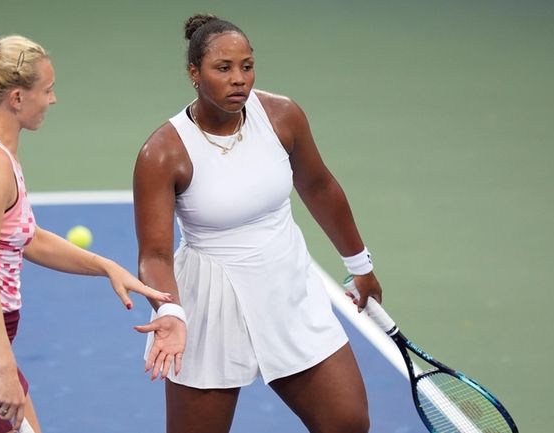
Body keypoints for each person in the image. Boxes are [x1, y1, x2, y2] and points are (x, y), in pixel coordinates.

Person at [0, 31, 172, 433]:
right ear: (17, 98)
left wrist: (106, 267)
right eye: (48, 89)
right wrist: (5, 371)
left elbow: (27, 236)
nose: (53, 99)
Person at [132, 14, 383, 433]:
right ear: (194, 73)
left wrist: (361, 266)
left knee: (347, 423)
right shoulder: (162, 154)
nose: (239, 80)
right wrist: (171, 310)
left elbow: (319, 187)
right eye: (223, 68)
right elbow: (155, 254)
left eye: (246, 66)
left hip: (286, 284)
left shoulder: (282, 117)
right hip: (211, 300)